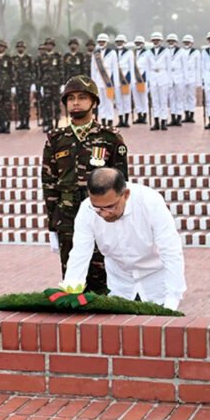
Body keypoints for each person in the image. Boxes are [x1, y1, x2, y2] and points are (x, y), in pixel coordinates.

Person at [42, 75, 128, 294]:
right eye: (70, 99)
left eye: (82, 97)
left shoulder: (110, 138)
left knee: (103, 276)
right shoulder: (56, 139)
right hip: (67, 216)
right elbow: (49, 184)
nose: (75, 102)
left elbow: (121, 182)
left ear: (94, 103)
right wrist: (53, 224)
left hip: (100, 213)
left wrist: (117, 216)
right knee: (72, 278)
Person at [61, 167, 186, 310]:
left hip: (156, 281)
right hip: (120, 283)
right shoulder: (86, 210)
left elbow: (170, 250)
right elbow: (80, 253)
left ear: (126, 194)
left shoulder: (150, 202)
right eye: (97, 208)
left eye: (110, 207)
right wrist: (71, 289)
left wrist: (172, 298)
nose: (104, 214)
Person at [90, 33, 118, 127]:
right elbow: (93, 69)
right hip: (98, 80)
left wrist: (116, 83)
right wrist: (93, 83)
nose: (101, 43)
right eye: (100, 41)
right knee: (101, 102)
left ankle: (110, 120)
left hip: (108, 81)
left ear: (106, 42)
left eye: (103, 41)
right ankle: (103, 120)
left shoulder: (112, 53)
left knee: (109, 101)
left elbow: (115, 69)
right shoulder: (95, 54)